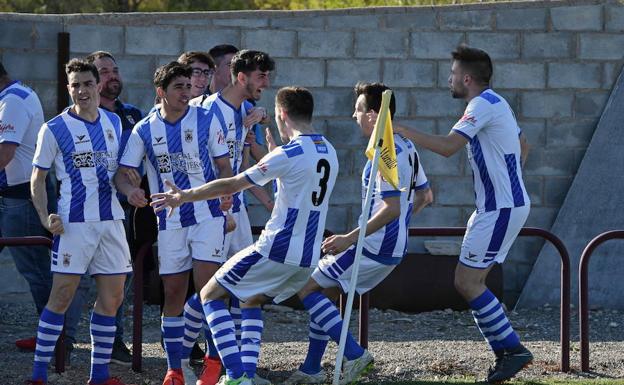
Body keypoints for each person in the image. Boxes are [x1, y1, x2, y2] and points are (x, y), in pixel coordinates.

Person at [150, 86, 339, 385]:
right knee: (250, 299)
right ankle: (248, 375)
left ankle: (235, 374)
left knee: (210, 295)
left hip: (275, 246)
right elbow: (293, 189)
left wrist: (184, 196)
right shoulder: (328, 149)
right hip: (307, 253)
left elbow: (232, 183)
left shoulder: (288, 153)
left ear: (282, 114)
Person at [395, 45, 532, 384]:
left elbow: (447, 147)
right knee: (468, 282)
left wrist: (400, 129)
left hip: (499, 208)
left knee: (467, 282)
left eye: (453, 74)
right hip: (498, 206)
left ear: (467, 78)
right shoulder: (496, 102)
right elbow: (523, 145)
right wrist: (508, 184)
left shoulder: (482, 104)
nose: (449, 79)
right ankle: (505, 353)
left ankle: (512, 350)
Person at [284, 82, 433, 385]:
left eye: (358, 109)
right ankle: (311, 369)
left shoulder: (385, 151)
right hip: (389, 244)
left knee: (305, 287)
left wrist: (348, 238)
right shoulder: (406, 145)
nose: (354, 115)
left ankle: (355, 355)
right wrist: (399, 227)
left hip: (373, 245)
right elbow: (425, 197)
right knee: (325, 293)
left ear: (373, 114)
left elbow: (391, 208)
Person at [115, 61, 233, 385]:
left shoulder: (207, 119)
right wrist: (132, 192)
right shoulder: (144, 129)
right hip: (169, 222)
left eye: (187, 85)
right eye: (178, 87)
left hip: (208, 215)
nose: (186, 92)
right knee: (173, 293)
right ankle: (175, 369)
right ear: (160, 92)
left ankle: (213, 360)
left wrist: (226, 194)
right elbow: (124, 175)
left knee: (209, 288)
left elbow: (225, 166)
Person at [27, 58, 132, 385]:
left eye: (88, 84)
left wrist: (133, 189)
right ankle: (39, 374)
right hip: (74, 224)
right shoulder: (55, 128)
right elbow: (37, 179)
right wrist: (46, 218)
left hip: (112, 221)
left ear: (98, 84)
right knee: (61, 298)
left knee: (112, 299)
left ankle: (98, 375)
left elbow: (118, 174)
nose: (82, 90)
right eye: (76, 85)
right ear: (68, 88)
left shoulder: (114, 123)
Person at [183, 49, 275, 385]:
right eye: (261, 77)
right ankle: (187, 361)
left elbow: (249, 167)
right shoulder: (207, 110)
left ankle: (239, 370)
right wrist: (220, 208)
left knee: (245, 287)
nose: (266, 84)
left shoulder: (245, 110)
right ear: (241, 77)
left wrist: (268, 201)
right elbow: (202, 165)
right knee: (210, 290)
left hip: (234, 207)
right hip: (211, 211)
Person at [54, 50, 145, 367]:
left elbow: (138, 156)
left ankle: (111, 346)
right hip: (78, 217)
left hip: (119, 213)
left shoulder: (130, 116)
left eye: (115, 70)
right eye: (105, 71)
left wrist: (133, 178)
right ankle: (63, 343)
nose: (112, 76)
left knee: (117, 285)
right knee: (71, 285)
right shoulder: (67, 121)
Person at [0, 61, 54, 351]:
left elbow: (3, 154)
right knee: (36, 270)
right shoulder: (13, 96)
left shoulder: (13, 101)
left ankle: (54, 339)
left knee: (35, 271)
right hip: (12, 197)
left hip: (20, 198)